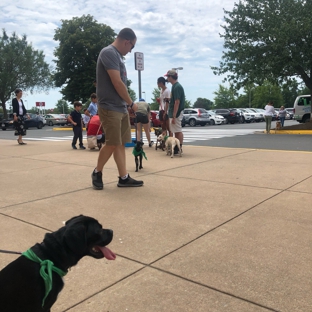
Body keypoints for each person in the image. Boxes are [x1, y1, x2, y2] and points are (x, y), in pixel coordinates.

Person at [92, 27, 143, 190]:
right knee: (112, 142)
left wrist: (125, 104)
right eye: (132, 47)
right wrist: (131, 103)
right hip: (110, 106)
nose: (130, 51)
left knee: (120, 143)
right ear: (127, 41)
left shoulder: (118, 57)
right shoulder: (108, 53)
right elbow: (117, 82)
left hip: (120, 107)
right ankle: (97, 172)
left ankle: (124, 177)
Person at [164, 69, 185, 154]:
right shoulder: (174, 86)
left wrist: (174, 115)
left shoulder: (177, 87)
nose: (167, 78)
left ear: (171, 77)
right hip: (174, 112)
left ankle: (178, 147)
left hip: (176, 112)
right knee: (176, 130)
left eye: (167, 76)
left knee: (177, 130)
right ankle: (177, 147)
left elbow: (177, 102)